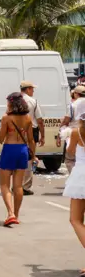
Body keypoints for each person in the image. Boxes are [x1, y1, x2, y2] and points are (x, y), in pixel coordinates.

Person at [0, 92, 36, 226]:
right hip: (22, 150)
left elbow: (0, 139)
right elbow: (31, 140)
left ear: (11, 103)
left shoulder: (6, 118)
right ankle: (16, 214)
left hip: (9, 149)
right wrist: (33, 155)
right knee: (18, 185)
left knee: (4, 184)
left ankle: (10, 213)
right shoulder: (27, 118)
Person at [63, 104, 85, 274]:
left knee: (75, 220)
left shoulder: (78, 133)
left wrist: (68, 139)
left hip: (81, 176)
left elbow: (70, 153)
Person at [20, 81, 45, 195]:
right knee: (29, 158)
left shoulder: (14, 100)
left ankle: (16, 184)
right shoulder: (33, 101)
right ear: (28, 89)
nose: (33, 91)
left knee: (18, 158)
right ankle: (25, 186)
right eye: (32, 89)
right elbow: (39, 121)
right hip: (31, 131)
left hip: (16, 132)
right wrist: (42, 136)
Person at [62, 86, 85, 174]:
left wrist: (60, 131)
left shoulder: (73, 105)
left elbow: (66, 120)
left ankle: (75, 175)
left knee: (70, 158)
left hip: (75, 133)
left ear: (76, 94)